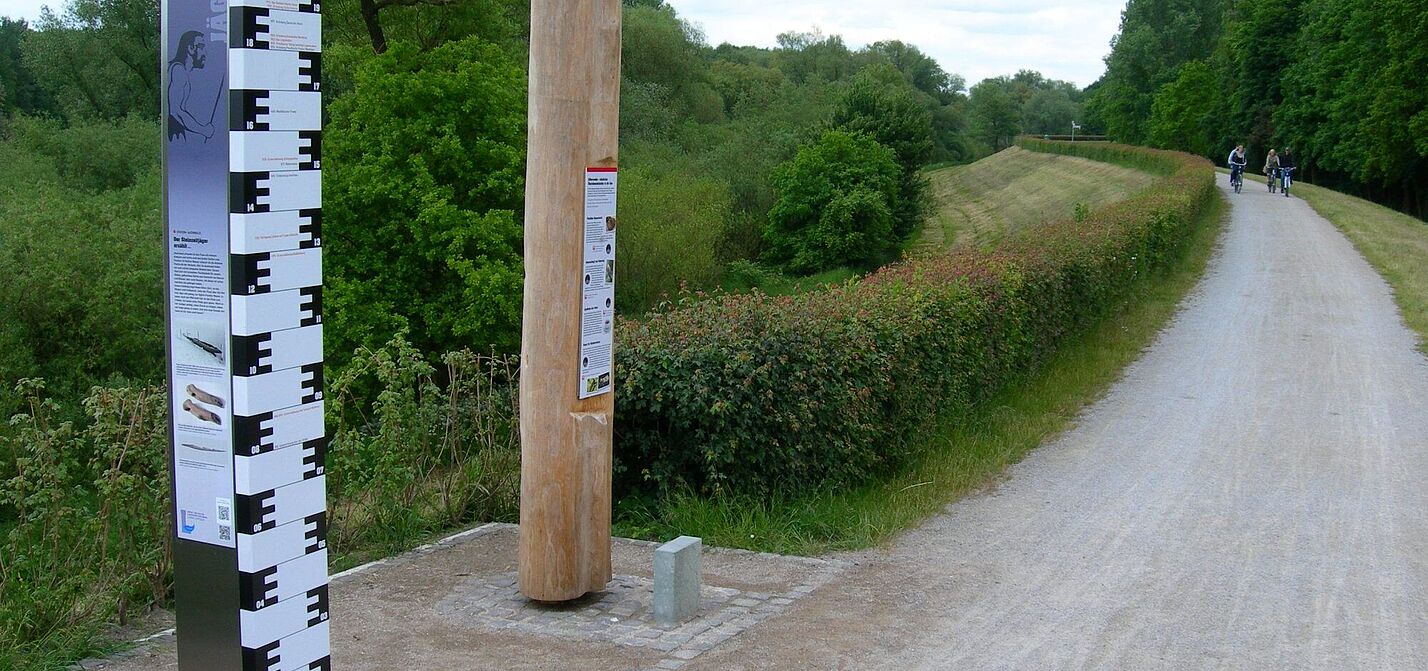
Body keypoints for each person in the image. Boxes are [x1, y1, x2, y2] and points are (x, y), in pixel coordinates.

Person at [167, 30, 216, 142]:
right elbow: (175, 111)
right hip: (175, 136)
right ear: (190, 48)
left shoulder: (179, 70)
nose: (205, 53)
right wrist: (203, 130)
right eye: (202, 47)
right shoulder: (178, 70)